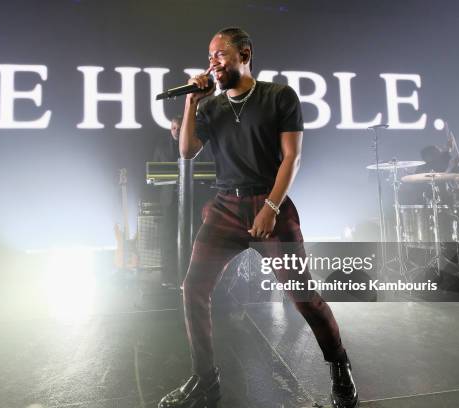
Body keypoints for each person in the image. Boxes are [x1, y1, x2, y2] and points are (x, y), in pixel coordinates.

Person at [158, 28, 358, 408]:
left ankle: (339, 366)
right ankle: (205, 381)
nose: (212, 62)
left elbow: (291, 157)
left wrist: (271, 207)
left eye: (220, 54)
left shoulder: (278, 96)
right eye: (210, 56)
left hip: (271, 205)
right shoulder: (211, 108)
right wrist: (192, 103)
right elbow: (186, 151)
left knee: (304, 298)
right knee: (193, 289)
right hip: (225, 207)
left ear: (244, 53)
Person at [152, 116, 213, 288]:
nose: (177, 131)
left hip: (193, 200)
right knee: (168, 238)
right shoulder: (161, 146)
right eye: (174, 128)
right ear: (170, 129)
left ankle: (191, 276)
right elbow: (154, 173)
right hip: (169, 200)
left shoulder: (197, 145)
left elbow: (205, 169)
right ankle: (168, 277)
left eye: (179, 128)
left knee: (194, 237)